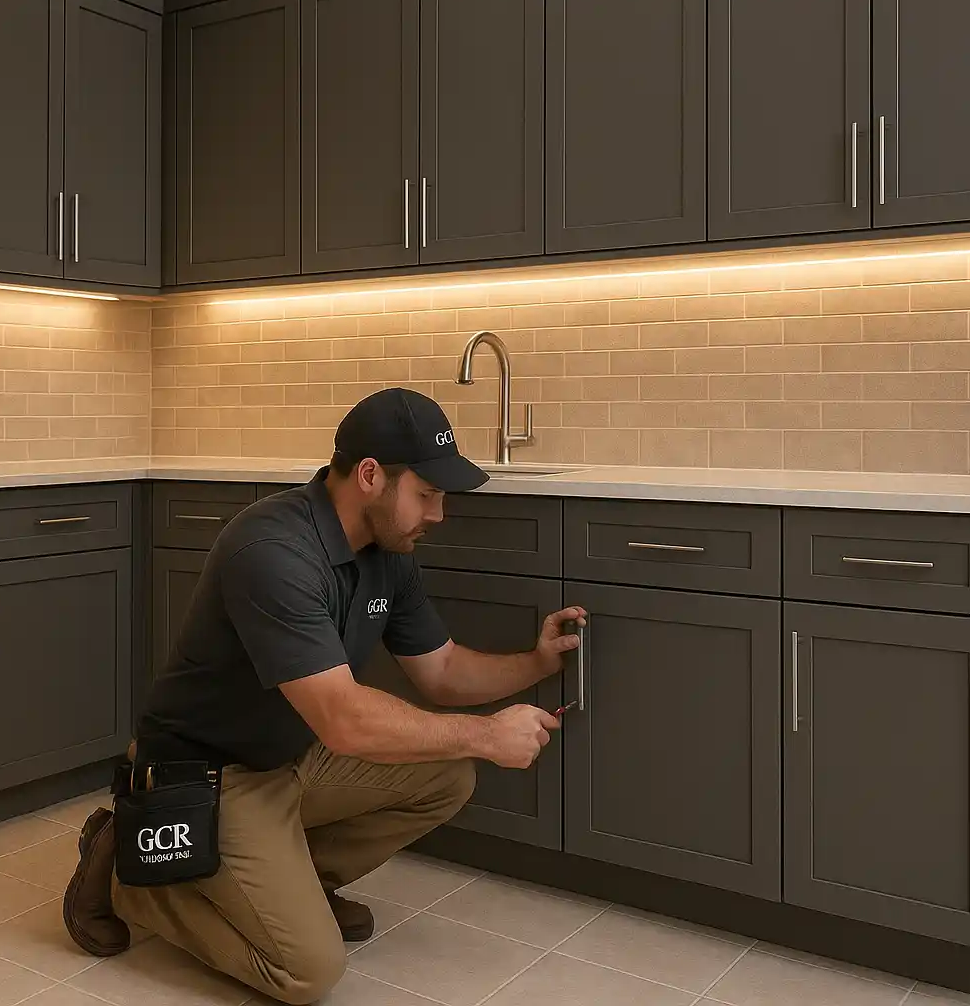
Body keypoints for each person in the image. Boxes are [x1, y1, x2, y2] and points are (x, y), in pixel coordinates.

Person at [63, 387, 585, 1005]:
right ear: (370, 476)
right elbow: (343, 718)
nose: (439, 514)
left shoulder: (388, 551)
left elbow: (442, 671)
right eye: (428, 493)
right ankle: (129, 872)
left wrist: (536, 661)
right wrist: (484, 733)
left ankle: (289, 887)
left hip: (295, 755)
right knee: (308, 972)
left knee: (448, 776)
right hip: (208, 774)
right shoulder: (274, 552)